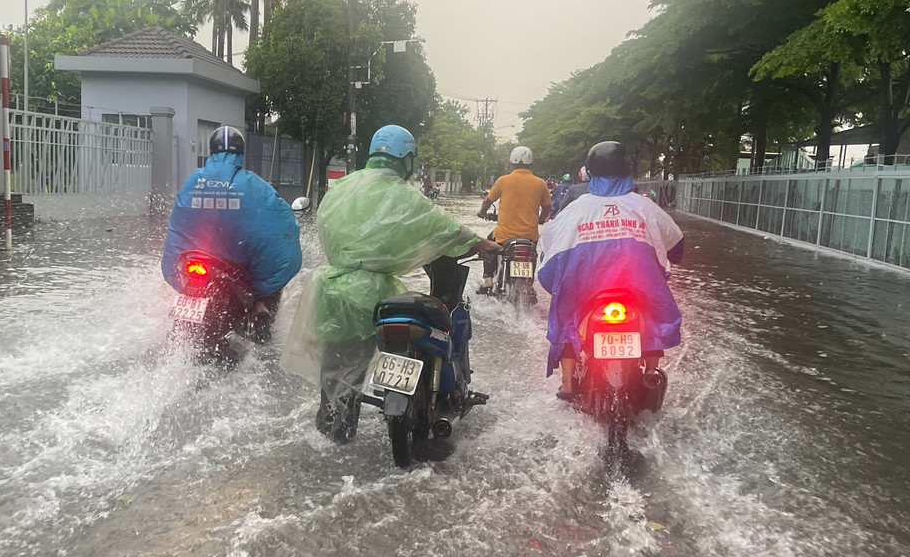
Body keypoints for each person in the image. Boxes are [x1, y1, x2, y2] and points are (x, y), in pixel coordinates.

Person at [281, 125, 500, 442]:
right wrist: (479, 243)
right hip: (369, 294)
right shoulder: (403, 195)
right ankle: (362, 423)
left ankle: (332, 433)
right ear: (406, 159)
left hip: (330, 290)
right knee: (359, 363)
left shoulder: (342, 187)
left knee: (336, 372)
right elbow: (444, 228)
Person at [537, 140, 684, 400]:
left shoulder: (575, 210)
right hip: (637, 291)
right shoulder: (644, 206)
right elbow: (676, 244)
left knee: (566, 315)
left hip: (586, 294)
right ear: (626, 170)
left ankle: (568, 383)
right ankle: (651, 372)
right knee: (653, 312)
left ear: (590, 173)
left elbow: (548, 254)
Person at [161, 125, 302, 339]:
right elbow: (279, 223)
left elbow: (178, 223)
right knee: (262, 304)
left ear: (211, 152)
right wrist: (261, 288)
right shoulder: (252, 183)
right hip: (232, 268)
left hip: (194, 262)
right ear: (240, 154)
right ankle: (259, 313)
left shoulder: (194, 180)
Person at [475, 146, 553, 296]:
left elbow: (486, 201)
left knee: (487, 245)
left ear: (511, 164)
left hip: (505, 235)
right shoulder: (540, 183)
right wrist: (540, 220)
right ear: (531, 164)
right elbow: (547, 207)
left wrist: (481, 212)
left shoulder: (503, 180)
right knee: (531, 256)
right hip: (530, 236)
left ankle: (488, 280)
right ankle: (528, 285)